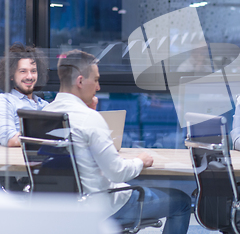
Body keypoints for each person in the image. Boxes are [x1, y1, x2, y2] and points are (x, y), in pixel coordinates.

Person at [43, 49, 191, 234]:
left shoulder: (43, 115)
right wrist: (140, 161)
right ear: (80, 81)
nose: (98, 87)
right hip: (100, 207)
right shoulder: (89, 118)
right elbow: (117, 173)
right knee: (182, 202)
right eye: (96, 80)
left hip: (56, 206)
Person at [0, 43, 49, 147]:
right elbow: (10, 139)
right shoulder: (5, 101)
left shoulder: (45, 105)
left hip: (45, 160)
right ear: (11, 75)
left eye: (33, 71)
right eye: (23, 71)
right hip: (18, 161)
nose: (29, 77)